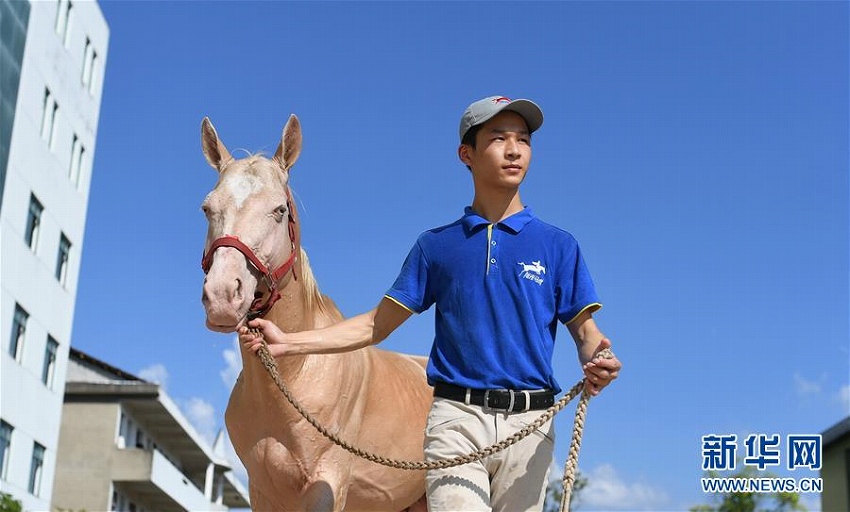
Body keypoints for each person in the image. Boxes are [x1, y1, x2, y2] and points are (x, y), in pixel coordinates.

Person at [239, 95, 622, 511]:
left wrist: (598, 355)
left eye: (523, 140)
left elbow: (585, 332)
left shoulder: (559, 246)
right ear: (467, 154)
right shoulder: (437, 247)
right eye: (498, 138)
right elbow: (374, 326)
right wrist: (289, 343)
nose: (514, 150)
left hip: (531, 426)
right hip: (456, 420)